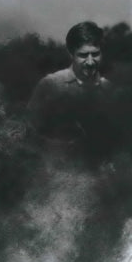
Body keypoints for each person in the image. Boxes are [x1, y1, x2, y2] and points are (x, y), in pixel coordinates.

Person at [27, 20, 115, 162]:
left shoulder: (109, 90)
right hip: (54, 172)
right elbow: (28, 132)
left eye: (95, 54)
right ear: (71, 54)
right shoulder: (50, 85)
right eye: (83, 55)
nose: (91, 61)